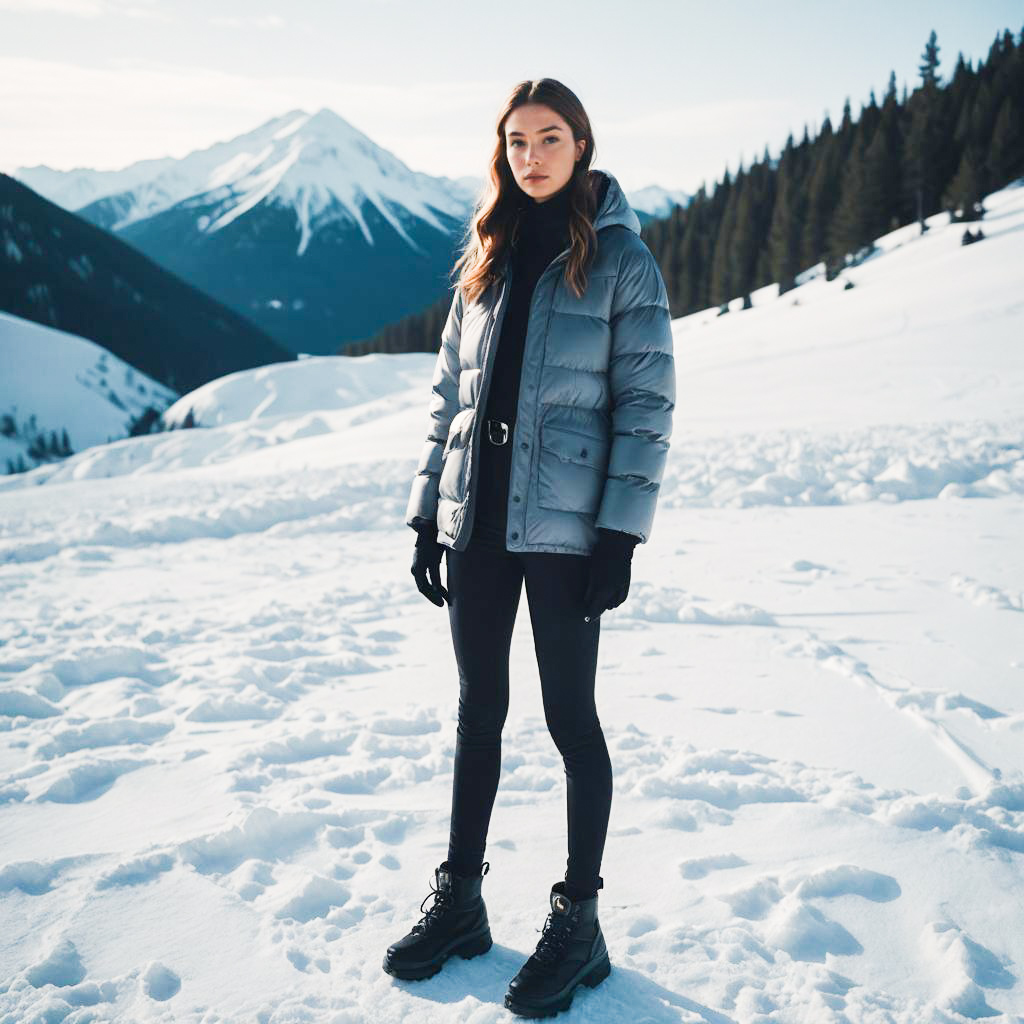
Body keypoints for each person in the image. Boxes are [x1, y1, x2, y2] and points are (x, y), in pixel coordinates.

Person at [383, 77, 675, 1018]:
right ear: (501, 151)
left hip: (564, 533)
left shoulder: (622, 259)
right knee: (478, 709)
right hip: (480, 524)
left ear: (581, 146)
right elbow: (450, 400)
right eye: (516, 141)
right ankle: (462, 900)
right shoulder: (490, 252)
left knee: (569, 720)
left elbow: (646, 405)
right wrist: (431, 512)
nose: (533, 156)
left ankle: (580, 923)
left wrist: (620, 535)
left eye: (550, 138)